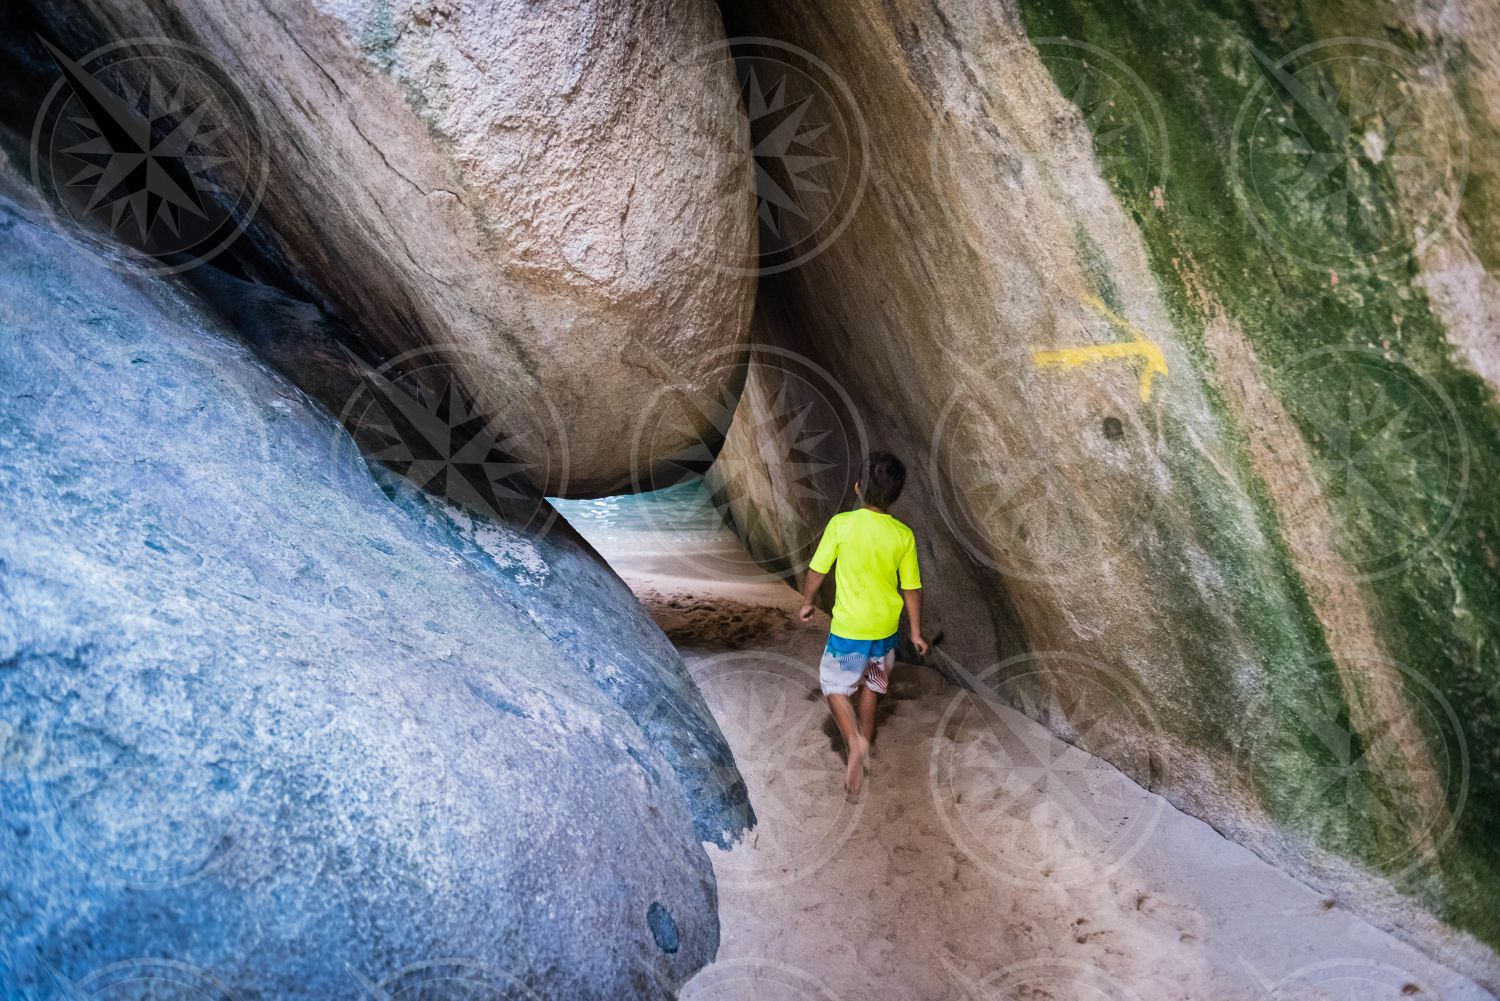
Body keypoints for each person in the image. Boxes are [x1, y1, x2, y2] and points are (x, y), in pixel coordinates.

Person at [798, 451, 927, 795]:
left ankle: (854, 741)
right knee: (873, 684)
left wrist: (808, 600)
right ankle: (866, 743)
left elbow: (818, 570)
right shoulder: (903, 535)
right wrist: (914, 631)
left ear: (858, 487)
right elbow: (911, 588)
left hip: (849, 630)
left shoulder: (842, 524)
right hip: (885, 631)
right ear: (896, 495)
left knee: (834, 685)